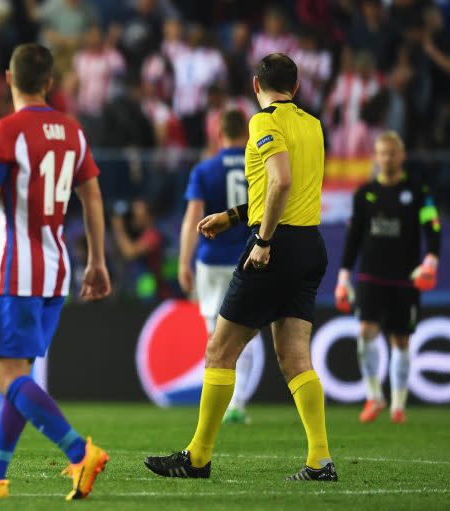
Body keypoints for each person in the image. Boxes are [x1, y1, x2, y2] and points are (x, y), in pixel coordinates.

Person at [145, 53, 337, 482]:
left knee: (220, 350)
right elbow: (286, 187)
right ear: (298, 87)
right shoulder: (314, 125)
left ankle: (197, 458)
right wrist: (232, 217)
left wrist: (263, 241)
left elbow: (281, 181)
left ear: (256, 85)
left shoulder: (263, 122)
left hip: (276, 245)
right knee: (295, 358)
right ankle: (320, 460)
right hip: (310, 246)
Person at [0, 43, 111, 501]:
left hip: (18, 268)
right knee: (19, 376)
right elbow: (92, 197)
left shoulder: (7, 130)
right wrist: (97, 260)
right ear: (50, 83)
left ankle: (80, 452)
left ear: (7, 79)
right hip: (57, 268)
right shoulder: (73, 132)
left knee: (4, 375)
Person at [335, 131, 441, 424]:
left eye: (392, 153)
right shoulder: (364, 194)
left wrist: (430, 260)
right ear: (376, 157)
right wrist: (343, 277)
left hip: (405, 277)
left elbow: (432, 228)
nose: (387, 158)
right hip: (370, 275)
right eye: (382, 153)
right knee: (365, 332)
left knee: (401, 340)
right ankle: (374, 396)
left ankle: (398, 404)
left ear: (401, 156)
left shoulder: (418, 192)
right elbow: (353, 238)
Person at [179, 109, 263, 424]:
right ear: (247, 132)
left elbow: (192, 219)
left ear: (218, 134)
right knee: (247, 333)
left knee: (215, 334)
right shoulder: (258, 165)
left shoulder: (204, 170)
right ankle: (237, 402)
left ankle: (218, 399)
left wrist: (183, 261)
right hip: (248, 258)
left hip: (211, 262)